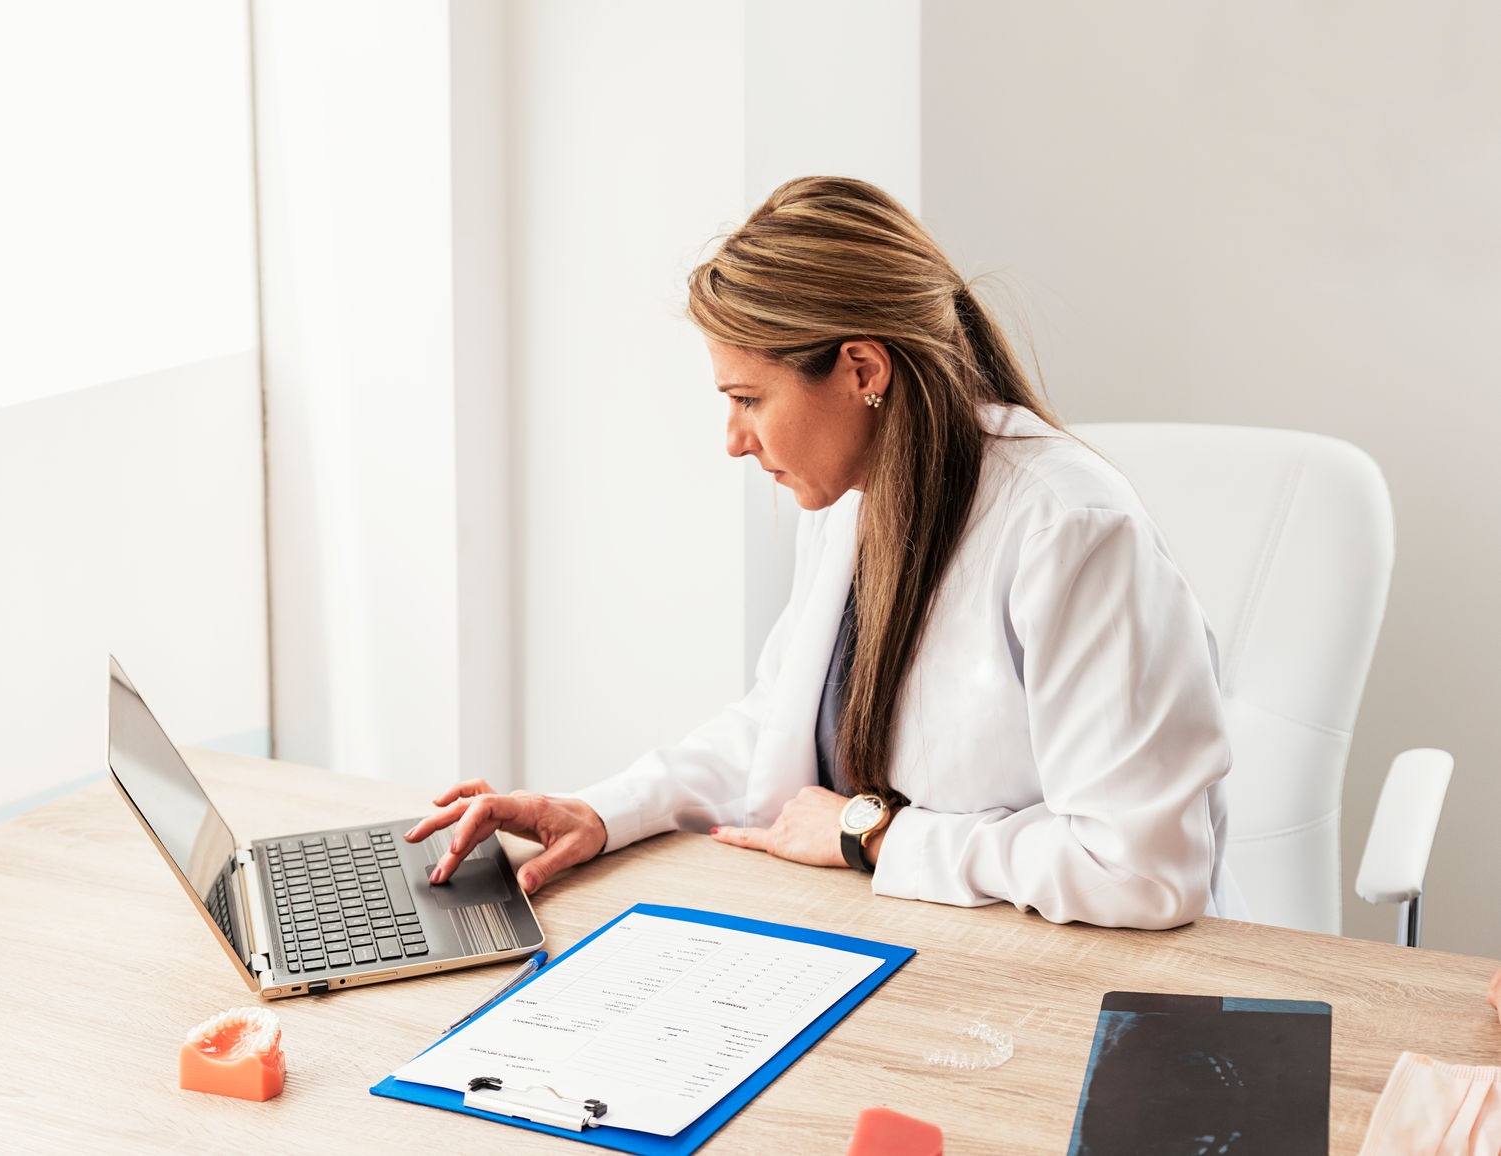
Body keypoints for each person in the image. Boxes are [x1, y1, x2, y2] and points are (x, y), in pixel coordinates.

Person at [405, 176, 1244, 930]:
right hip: (905, 936)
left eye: (747, 399)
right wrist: (597, 811)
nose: (733, 441)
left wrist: (873, 834)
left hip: (1074, 974)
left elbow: (1141, 871)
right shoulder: (855, 498)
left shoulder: (1069, 530)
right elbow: (778, 728)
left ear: (860, 370)